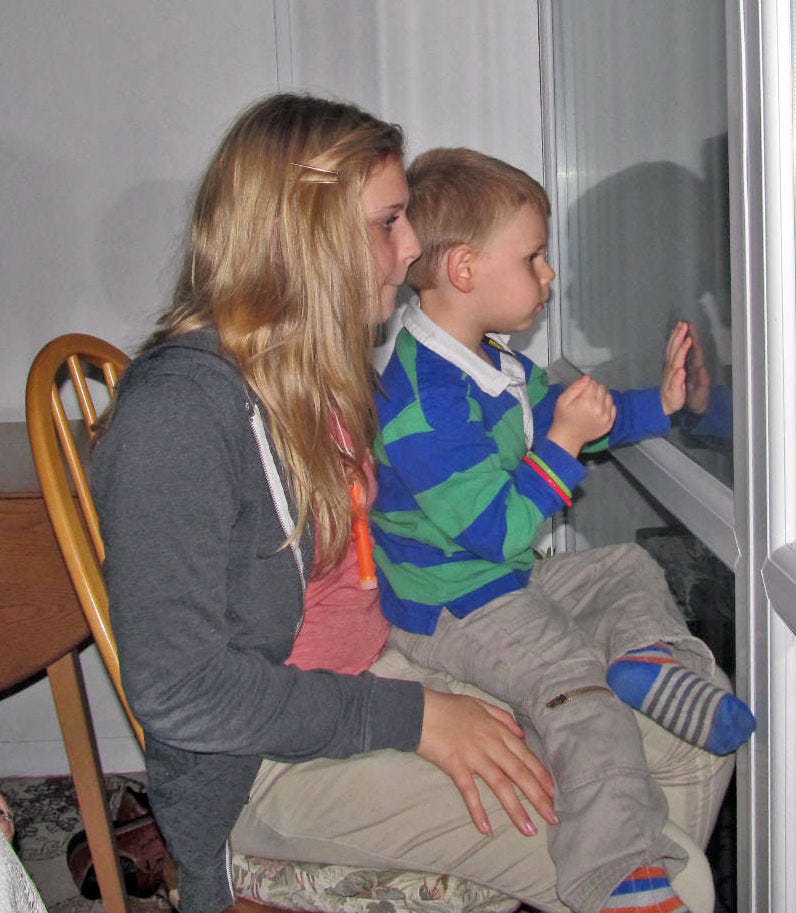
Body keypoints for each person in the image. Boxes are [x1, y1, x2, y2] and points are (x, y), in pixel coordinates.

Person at [92, 95, 732, 913]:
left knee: (682, 752)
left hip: (381, 663)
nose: (410, 248)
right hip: (269, 762)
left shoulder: (315, 365)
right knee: (670, 871)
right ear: (303, 229)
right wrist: (417, 716)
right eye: (389, 222)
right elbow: (183, 689)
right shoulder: (179, 414)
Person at [371, 148, 753, 913]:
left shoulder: (488, 358)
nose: (549, 275)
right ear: (465, 269)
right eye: (534, 258)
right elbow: (496, 530)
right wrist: (563, 443)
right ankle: (616, 874)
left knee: (624, 567)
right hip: (450, 602)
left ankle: (650, 661)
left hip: (497, 574)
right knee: (575, 688)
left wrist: (660, 403)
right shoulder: (422, 400)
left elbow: (564, 412)